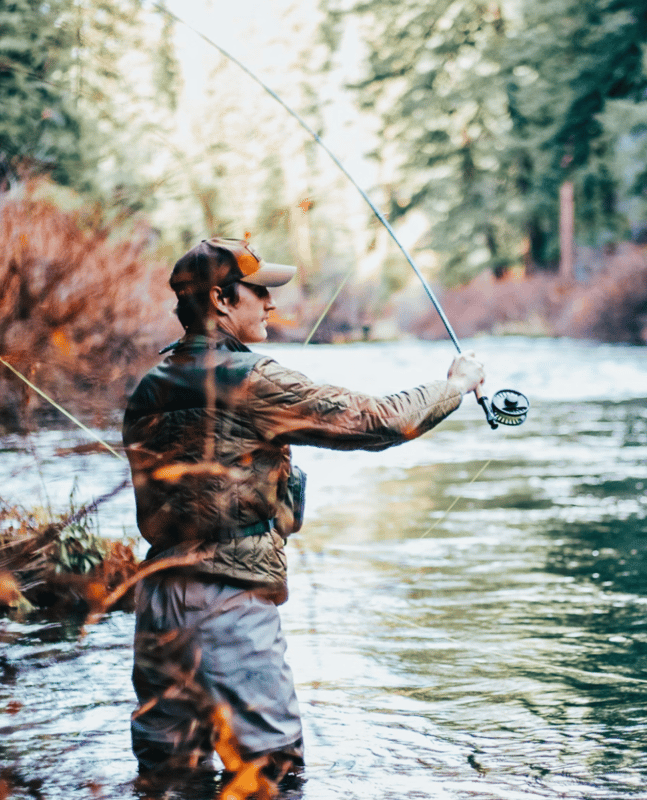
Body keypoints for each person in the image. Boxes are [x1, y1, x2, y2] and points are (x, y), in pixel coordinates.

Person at [123, 237, 485, 786]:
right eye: (259, 291)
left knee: (168, 780)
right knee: (270, 777)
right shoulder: (253, 380)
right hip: (228, 602)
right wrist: (454, 386)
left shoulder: (148, 389)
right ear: (221, 299)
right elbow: (376, 422)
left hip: (157, 605)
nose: (270, 304)